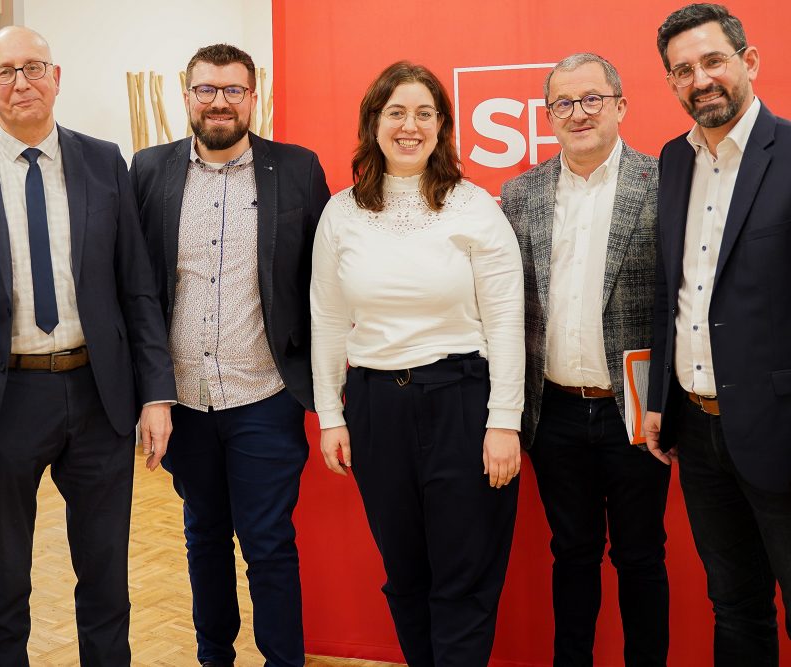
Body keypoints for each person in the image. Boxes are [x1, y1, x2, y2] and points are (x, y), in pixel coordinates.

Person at [0, 26, 176, 666]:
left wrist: (157, 395)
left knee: (106, 577)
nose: (21, 82)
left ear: (56, 77)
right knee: (3, 580)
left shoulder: (102, 160)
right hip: (3, 399)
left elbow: (136, 287)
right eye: (5, 72)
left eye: (34, 67)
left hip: (99, 395)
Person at [311, 61, 524, 666]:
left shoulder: (475, 207)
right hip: (377, 408)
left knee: (464, 575)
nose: (410, 126)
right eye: (396, 112)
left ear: (442, 126)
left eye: (424, 113)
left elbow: (506, 319)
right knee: (405, 574)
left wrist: (503, 420)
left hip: (462, 399)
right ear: (373, 123)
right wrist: (331, 414)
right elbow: (327, 319)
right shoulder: (341, 213)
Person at [130, 43, 329, 667]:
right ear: (186, 95)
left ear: (253, 95)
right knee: (203, 538)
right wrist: (150, 391)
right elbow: (137, 288)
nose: (219, 101)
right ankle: (213, 655)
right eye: (207, 89)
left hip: (264, 396)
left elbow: (322, 280)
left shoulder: (297, 169)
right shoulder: (149, 170)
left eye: (233, 90)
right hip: (183, 401)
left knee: (269, 542)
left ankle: (283, 661)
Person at [501, 53, 669, 666]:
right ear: (547, 116)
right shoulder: (519, 193)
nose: (579, 113)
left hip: (637, 411)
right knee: (571, 553)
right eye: (564, 103)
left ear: (620, 105)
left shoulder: (663, 182)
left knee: (641, 556)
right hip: (556, 414)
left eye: (592, 98)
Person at [644, 4, 791, 665]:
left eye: (712, 61)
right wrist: (658, 402)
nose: (699, 79)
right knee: (735, 606)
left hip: (782, 427)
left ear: (749, 61)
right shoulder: (674, 161)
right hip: (698, 433)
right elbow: (671, 293)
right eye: (682, 70)